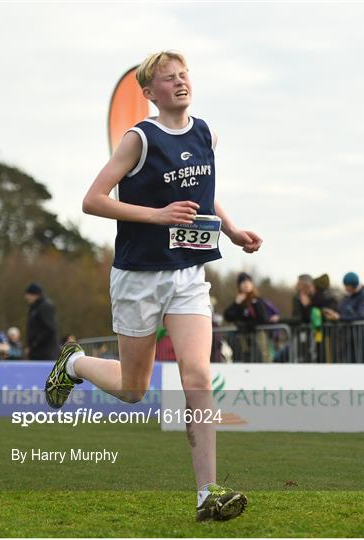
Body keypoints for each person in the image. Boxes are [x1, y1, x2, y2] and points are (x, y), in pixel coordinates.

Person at [45, 51, 262, 521]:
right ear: (150, 92)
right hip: (139, 277)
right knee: (132, 387)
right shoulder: (138, 139)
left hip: (188, 276)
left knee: (198, 377)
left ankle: (208, 494)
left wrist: (231, 229)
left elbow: (204, 190)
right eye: (169, 79)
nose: (180, 83)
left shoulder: (207, 133)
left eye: (184, 75)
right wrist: (156, 216)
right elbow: (93, 200)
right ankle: (76, 362)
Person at [323, 272, 364, 362]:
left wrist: (339, 317)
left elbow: (361, 315)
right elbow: (341, 310)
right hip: (348, 337)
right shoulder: (347, 296)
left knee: (362, 363)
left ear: (353, 285)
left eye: (347, 286)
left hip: (362, 336)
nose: (345, 288)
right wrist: (333, 314)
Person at [224, 272, 270, 362]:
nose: (246, 284)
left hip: (257, 336)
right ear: (239, 285)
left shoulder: (257, 300)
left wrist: (247, 325)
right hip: (243, 339)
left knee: (260, 360)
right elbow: (227, 316)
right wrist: (236, 304)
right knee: (245, 361)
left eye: (248, 281)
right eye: (243, 282)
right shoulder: (239, 301)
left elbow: (263, 318)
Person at [24, 283, 59, 360]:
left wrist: (34, 343)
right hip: (37, 352)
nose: (26, 297)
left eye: (28, 294)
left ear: (35, 295)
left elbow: (50, 329)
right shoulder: (34, 308)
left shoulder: (45, 307)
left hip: (46, 353)